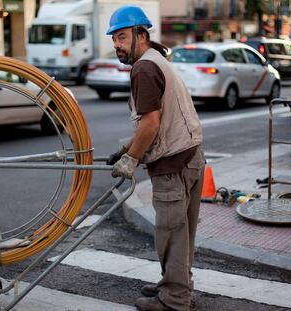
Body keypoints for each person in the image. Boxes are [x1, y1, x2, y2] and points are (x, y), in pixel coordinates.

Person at [106, 5, 205, 311]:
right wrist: (127, 148)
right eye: (114, 39)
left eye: (122, 37)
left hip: (173, 165)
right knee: (183, 233)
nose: (117, 45)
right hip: (191, 156)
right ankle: (178, 284)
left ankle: (175, 299)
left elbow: (151, 123)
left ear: (141, 35)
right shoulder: (157, 59)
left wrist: (131, 159)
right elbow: (162, 118)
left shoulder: (143, 68)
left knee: (171, 234)